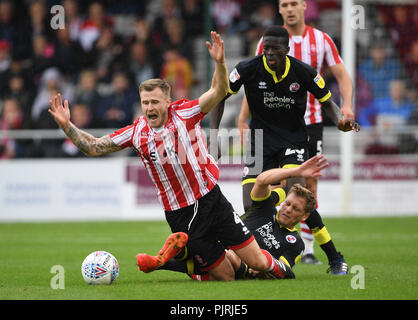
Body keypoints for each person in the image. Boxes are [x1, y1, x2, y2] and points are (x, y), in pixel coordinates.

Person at [48, 31, 289, 281]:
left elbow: (219, 92)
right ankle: (199, 264)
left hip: (212, 200)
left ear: (167, 102)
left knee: (259, 261)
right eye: (145, 103)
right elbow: (94, 146)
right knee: (226, 278)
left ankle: (273, 270)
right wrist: (67, 126)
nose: (150, 107)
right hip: (180, 214)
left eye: (155, 102)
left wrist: (219, 62)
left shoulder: (185, 113)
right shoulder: (136, 132)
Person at [212, 0, 356, 266]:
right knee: (252, 207)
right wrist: (214, 134)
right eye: (266, 49)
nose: (270, 54)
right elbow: (219, 95)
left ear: (287, 50)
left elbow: (327, 102)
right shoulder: (248, 68)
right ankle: (271, 254)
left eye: (275, 50)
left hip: (293, 140)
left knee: (297, 195)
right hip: (259, 142)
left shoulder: (304, 72)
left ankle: (335, 258)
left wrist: (340, 121)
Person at [137, 155, 328, 281]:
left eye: (295, 209)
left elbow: (284, 271)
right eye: (287, 203)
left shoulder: (296, 244)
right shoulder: (266, 206)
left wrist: (264, 267)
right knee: (221, 253)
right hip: (220, 247)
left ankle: (172, 257)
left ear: (304, 216)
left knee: (230, 262)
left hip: (245, 268)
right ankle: (178, 254)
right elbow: (261, 180)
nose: (287, 209)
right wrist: (295, 172)